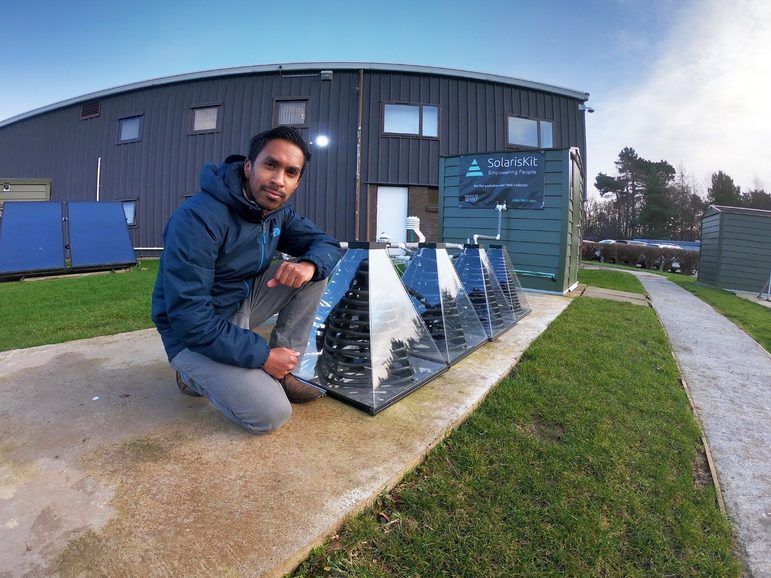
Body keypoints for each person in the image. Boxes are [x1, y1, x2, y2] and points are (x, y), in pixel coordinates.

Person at [151, 126, 341, 434]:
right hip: (190, 334)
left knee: (314, 272)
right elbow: (188, 318)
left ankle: (284, 370)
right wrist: (263, 355)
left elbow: (327, 244)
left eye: (291, 173)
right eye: (271, 165)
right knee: (271, 414)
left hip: (240, 304)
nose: (279, 180)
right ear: (249, 166)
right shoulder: (198, 218)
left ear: (297, 181)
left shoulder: (276, 212)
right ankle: (190, 376)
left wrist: (308, 264)